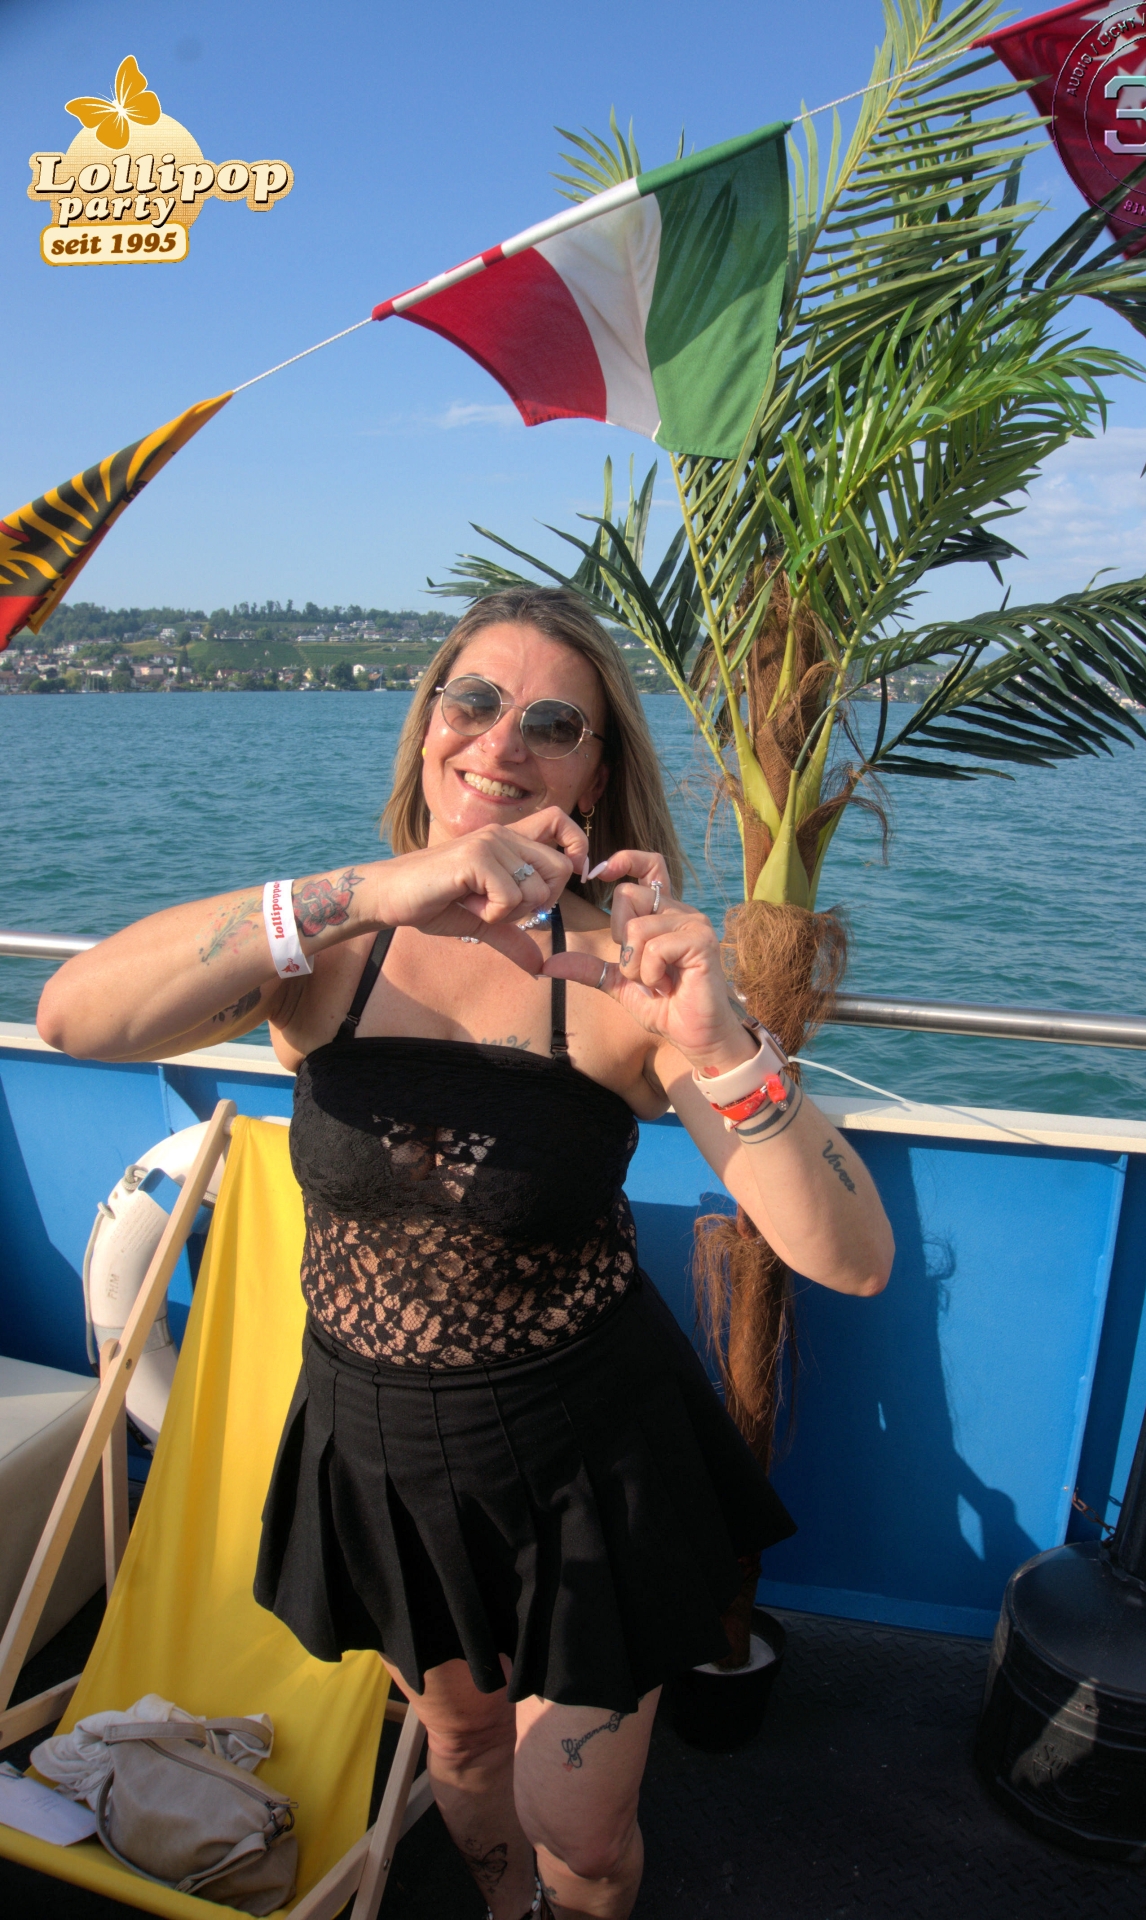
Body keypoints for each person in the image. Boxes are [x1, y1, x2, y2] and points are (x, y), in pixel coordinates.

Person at [39, 587, 894, 1920]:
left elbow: (849, 1257)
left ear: (596, 773)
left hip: (587, 1458)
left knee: (580, 1830)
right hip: (380, 1454)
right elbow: (73, 1017)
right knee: (459, 1749)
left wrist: (723, 1040)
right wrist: (373, 888)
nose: (502, 743)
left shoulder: (623, 977)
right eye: (475, 701)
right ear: (428, 724)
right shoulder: (328, 946)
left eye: (554, 724)